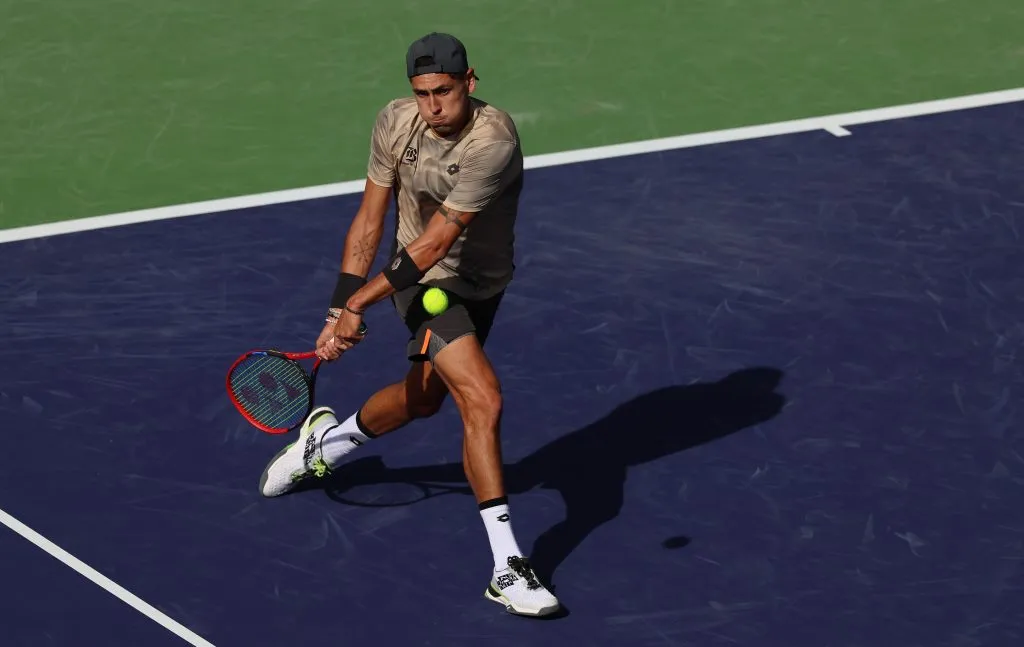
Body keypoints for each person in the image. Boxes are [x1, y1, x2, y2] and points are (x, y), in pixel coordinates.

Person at [257, 32, 560, 617]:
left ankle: (325, 443)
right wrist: (338, 306)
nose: (432, 107)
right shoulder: (396, 123)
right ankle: (507, 565)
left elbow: (439, 239)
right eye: (421, 93)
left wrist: (359, 305)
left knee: (423, 400)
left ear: (470, 82)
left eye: (443, 91)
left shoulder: (491, 142)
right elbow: (371, 220)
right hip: (422, 290)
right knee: (484, 400)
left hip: (476, 283)